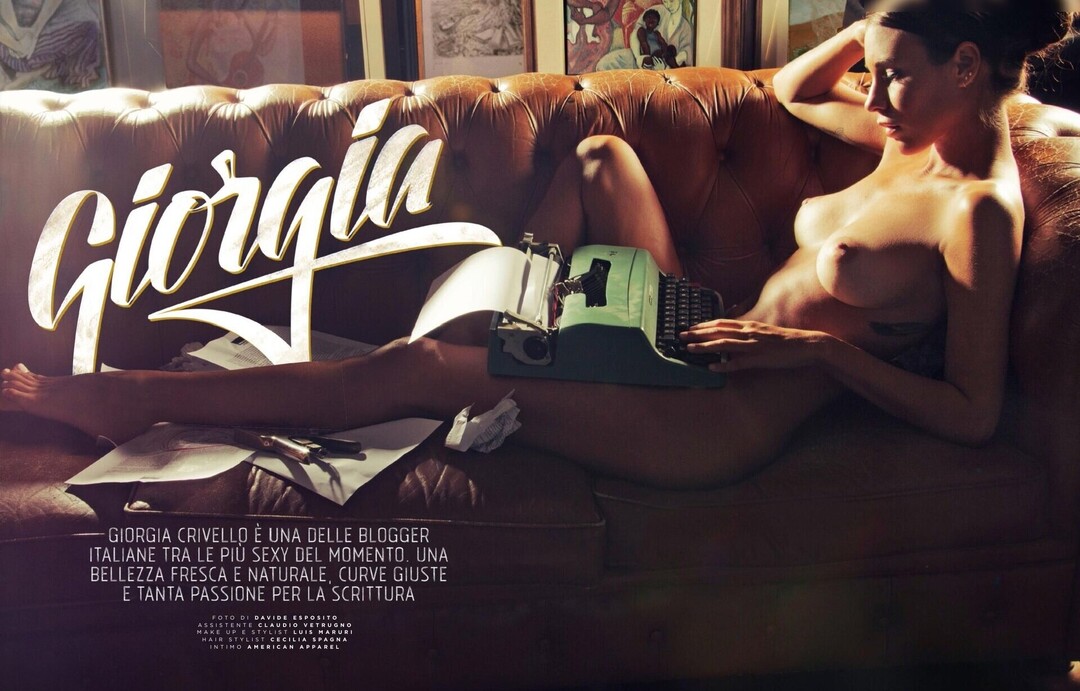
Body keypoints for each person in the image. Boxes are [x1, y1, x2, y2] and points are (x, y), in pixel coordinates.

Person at [1, 0, 1074, 489]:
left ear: (966, 66)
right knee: (604, 160)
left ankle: (133, 398)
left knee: (418, 367)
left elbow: (974, 411)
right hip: (692, 327)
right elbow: (795, 85)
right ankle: (518, 319)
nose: (871, 93)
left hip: (721, 413)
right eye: (875, 72)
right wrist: (884, 23)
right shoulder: (906, 137)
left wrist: (822, 353)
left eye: (895, 74)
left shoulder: (976, 211)